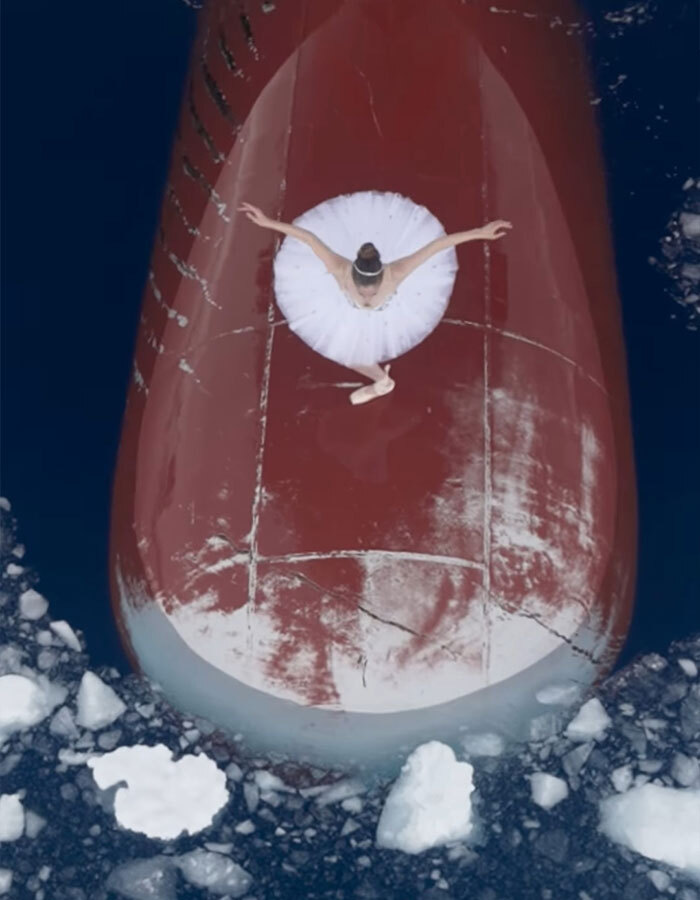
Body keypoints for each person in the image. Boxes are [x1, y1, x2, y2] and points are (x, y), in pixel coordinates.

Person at [238, 193, 512, 405]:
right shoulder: (339, 268)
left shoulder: (397, 273)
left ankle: (381, 382)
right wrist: (266, 222)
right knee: (345, 353)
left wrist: (481, 233)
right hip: (347, 311)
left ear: (381, 278)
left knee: (349, 352)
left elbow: (437, 245)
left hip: (386, 314)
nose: (367, 296)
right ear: (353, 278)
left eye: (371, 291)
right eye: (362, 291)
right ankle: (382, 381)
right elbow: (308, 238)